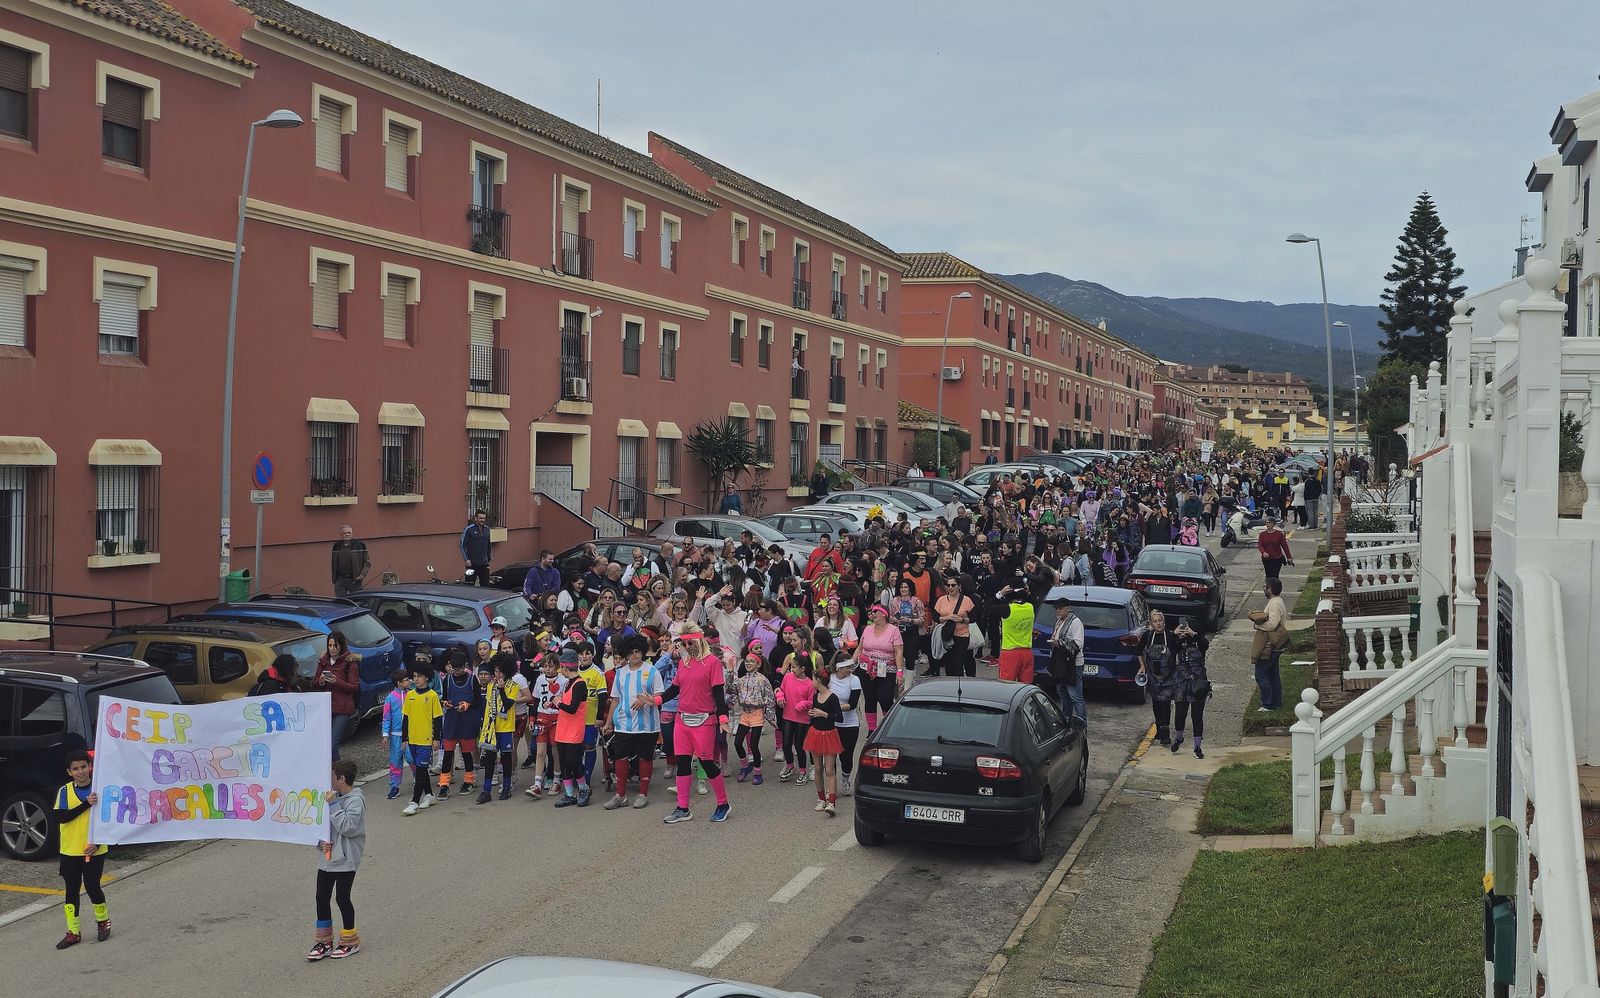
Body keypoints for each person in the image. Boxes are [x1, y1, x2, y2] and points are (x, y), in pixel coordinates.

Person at [650, 626, 734, 824]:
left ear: (700, 640)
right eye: (684, 643)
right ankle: (682, 808)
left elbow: (718, 694)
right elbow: (674, 689)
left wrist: (723, 719)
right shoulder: (684, 662)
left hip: (704, 720)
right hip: (682, 719)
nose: (688, 647)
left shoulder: (712, 662)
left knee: (706, 762)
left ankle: (723, 804)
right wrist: (656, 700)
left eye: (691, 642)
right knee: (683, 762)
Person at [307, 759, 365, 961]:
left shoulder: (355, 801)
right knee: (321, 897)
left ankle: (350, 940)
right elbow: (323, 828)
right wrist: (320, 843)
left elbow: (348, 827)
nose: (328, 780)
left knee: (342, 897)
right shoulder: (332, 798)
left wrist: (334, 805)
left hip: (346, 860)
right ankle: (324, 941)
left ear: (341, 778)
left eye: (332, 776)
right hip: (327, 859)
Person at [54, 749, 109, 949]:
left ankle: (103, 922)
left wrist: (98, 843)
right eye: (75, 769)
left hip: (94, 849)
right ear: (69, 772)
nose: (80, 772)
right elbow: (62, 817)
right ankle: (73, 931)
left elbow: (108, 820)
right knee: (71, 890)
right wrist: (86, 804)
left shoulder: (100, 790)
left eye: (83, 767)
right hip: (70, 849)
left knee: (93, 885)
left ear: (90, 767)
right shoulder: (64, 792)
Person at [602, 633, 664, 810]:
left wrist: (647, 699)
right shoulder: (620, 673)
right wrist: (608, 723)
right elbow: (615, 699)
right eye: (631, 652)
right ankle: (620, 795)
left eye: (638, 651)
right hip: (623, 724)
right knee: (620, 758)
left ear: (643, 652)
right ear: (626, 654)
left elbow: (661, 695)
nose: (635, 655)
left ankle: (643, 794)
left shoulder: (652, 671)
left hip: (648, 725)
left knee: (645, 758)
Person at [475, 656, 519, 803]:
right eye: (495, 671)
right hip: (491, 728)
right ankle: (486, 790)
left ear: (507, 672)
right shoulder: (490, 685)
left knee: (506, 759)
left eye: (500, 672)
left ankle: (506, 787)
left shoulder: (513, 686)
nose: (497, 674)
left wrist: (501, 689)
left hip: (506, 727)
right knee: (489, 759)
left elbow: (507, 705)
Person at [730, 642, 776, 786]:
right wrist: (730, 673)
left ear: (758, 664)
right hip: (745, 713)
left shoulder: (763, 680)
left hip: (757, 714)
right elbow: (730, 691)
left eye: (752, 662)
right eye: (747, 661)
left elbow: (769, 699)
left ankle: (757, 772)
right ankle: (745, 766)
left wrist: (770, 717)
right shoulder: (740, 680)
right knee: (737, 742)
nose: (749, 664)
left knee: (754, 745)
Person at [400, 664, 442, 816]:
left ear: (427, 678)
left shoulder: (432, 696)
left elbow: (437, 720)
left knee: (421, 769)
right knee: (420, 769)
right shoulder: (410, 695)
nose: (416, 679)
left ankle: (414, 802)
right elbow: (406, 718)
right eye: (414, 676)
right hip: (413, 739)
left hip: (425, 740)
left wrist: (436, 739)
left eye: (420, 676)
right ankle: (429, 795)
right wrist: (404, 738)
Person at [804, 664, 846, 816]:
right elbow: (814, 718)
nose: (812, 682)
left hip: (829, 735)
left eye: (813, 679)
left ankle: (831, 802)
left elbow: (839, 718)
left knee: (829, 769)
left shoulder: (832, 697)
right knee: (817, 768)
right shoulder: (815, 697)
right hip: (815, 734)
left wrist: (824, 714)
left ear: (819, 681)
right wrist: (812, 715)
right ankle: (821, 798)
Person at [856, 603, 904, 733]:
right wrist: (850, 664)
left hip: (886, 670)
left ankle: (888, 727)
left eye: (875, 611)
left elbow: (898, 651)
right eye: (871, 612)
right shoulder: (867, 629)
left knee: (885, 698)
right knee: (870, 698)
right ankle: (871, 729)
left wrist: (900, 672)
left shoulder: (893, 630)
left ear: (884, 613)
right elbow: (860, 648)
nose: (872, 614)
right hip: (867, 669)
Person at [1170, 618, 1211, 759]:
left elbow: (1205, 645)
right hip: (1182, 682)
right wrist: (1175, 635)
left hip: (1198, 682)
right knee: (1180, 713)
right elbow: (1170, 648)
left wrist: (1194, 635)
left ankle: (1197, 746)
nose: (1186, 632)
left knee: (1197, 715)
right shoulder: (1178, 642)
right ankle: (1179, 737)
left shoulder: (1200, 642)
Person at [1250, 578, 1289, 711]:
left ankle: (1268, 704)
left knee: (1261, 674)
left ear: (1270, 589)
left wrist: (1257, 625)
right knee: (1273, 675)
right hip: (1274, 644)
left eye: (1265, 587)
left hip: (1270, 645)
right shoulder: (1276, 601)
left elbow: (1272, 624)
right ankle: (1276, 703)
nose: (1264, 589)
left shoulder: (1275, 603)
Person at [1139, 611, 1178, 745]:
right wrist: (1142, 666)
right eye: (1155, 621)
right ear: (1151, 624)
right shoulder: (1148, 636)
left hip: (1168, 677)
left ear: (1164, 621)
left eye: (1160, 620)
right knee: (1156, 703)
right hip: (1153, 677)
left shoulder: (1170, 636)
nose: (1158, 623)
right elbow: (1138, 651)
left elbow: (1178, 651)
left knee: (1165, 703)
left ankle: (1165, 733)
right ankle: (1159, 728)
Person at [1046, 595, 1086, 724]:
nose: (1058, 611)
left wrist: (1060, 643)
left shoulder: (1075, 622)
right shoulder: (1059, 621)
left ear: (1068, 608)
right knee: (1062, 693)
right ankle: (1066, 719)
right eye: (1056, 608)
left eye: (1060, 608)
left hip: (1073, 664)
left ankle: (1081, 721)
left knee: (1075, 695)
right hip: (1060, 663)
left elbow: (1078, 643)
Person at [828, 654, 864, 797]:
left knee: (846, 755)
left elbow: (852, 705)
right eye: (848, 667)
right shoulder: (829, 679)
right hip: (832, 723)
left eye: (851, 667)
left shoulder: (854, 680)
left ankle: (846, 779)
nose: (850, 670)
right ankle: (832, 785)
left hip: (849, 724)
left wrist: (833, 707)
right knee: (831, 755)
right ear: (839, 668)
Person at [993, 582, 1036, 684]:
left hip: (1010, 651)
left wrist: (1001, 593)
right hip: (1027, 652)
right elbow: (1032, 600)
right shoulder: (1030, 607)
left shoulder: (1007, 609)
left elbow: (988, 606)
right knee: (1026, 686)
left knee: (1007, 686)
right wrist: (1028, 593)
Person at [932, 575, 975, 678]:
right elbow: (935, 617)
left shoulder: (967, 600)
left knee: (958, 663)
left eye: (953, 585)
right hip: (947, 635)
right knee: (948, 664)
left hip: (962, 636)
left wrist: (962, 620)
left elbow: (974, 618)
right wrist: (946, 618)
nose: (950, 587)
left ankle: (959, 685)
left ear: (959, 587)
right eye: (948, 585)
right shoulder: (941, 600)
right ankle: (950, 685)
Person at [379, 667, 410, 799]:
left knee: (412, 759)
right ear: (399, 683)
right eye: (406, 680)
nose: (409, 681)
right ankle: (394, 787)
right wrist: (385, 735)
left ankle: (418, 781)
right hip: (396, 736)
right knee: (395, 762)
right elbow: (386, 718)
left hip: (410, 735)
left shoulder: (412, 695)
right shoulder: (390, 698)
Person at [329, 524, 369, 597]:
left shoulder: (360, 545)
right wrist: (335, 579)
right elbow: (334, 563)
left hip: (355, 580)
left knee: (357, 601)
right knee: (340, 602)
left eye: (349, 533)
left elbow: (367, 562)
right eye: (345, 533)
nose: (347, 534)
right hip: (340, 580)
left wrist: (362, 575)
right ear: (341, 535)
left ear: (352, 534)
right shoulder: (336, 546)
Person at [459, 508, 493, 584]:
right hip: (472, 563)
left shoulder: (487, 530)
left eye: (484, 518)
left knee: (486, 585)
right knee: (469, 585)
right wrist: (466, 559)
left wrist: (489, 557)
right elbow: (462, 545)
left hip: (484, 563)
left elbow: (488, 544)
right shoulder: (469, 529)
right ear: (475, 518)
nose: (482, 520)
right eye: (480, 518)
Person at [1256, 513, 1293, 580]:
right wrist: (1263, 552)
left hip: (1277, 558)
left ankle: (1274, 588)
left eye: (1270, 523)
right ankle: (1268, 588)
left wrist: (1289, 557)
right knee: (1268, 575)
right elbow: (1260, 545)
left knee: (1274, 575)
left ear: (1273, 524)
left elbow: (1285, 546)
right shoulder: (1262, 534)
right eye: (1267, 522)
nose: (1268, 524)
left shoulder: (1279, 534)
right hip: (1266, 559)